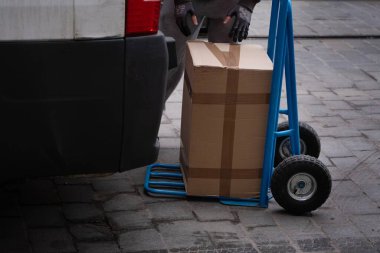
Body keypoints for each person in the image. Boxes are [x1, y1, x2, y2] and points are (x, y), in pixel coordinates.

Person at [160, 0, 260, 99]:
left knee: (224, 65)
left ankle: (213, 111)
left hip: (230, 4)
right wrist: (181, 2)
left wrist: (247, 5)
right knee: (169, 56)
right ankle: (153, 108)